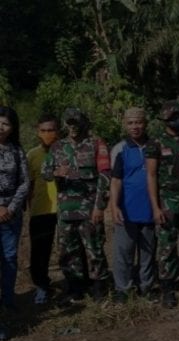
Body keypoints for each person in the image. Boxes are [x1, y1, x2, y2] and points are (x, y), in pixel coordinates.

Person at [42, 108, 111, 303]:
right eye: (69, 123)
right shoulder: (57, 147)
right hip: (66, 211)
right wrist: (56, 171)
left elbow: (105, 176)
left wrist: (99, 207)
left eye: (76, 122)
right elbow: (45, 172)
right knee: (68, 251)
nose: (73, 127)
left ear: (84, 122)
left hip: (90, 210)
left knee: (94, 249)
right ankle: (75, 287)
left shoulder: (97, 144)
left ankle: (99, 287)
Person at [145, 100, 179, 308]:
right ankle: (168, 289)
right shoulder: (155, 143)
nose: (176, 121)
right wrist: (155, 207)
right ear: (164, 120)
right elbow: (151, 175)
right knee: (167, 246)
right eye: (172, 117)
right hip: (167, 201)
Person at [109, 108, 156, 304]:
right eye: (130, 123)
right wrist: (114, 206)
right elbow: (115, 180)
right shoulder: (120, 149)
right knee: (123, 252)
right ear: (125, 125)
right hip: (126, 210)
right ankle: (123, 288)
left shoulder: (155, 146)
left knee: (148, 252)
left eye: (138, 122)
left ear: (145, 123)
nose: (135, 126)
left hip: (151, 209)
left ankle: (147, 287)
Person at [0, 106, 29, 341]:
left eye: (6, 123)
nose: (1, 127)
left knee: (9, 258)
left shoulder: (17, 150)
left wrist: (9, 208)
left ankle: (8, 299)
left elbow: (25, 182)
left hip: (11, 215)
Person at [26, 115, 59, 305]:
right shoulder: (32, 155)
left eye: (51, 130)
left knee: (70, 249)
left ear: (58, 131)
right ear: (38, 132)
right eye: (43, 130)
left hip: (64, 209)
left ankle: (78, 284)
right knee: (40, 251)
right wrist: (29, 209)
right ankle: (41, 286)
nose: (47, 134)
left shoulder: (65, 151)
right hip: (41, 210)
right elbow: (28, 185)